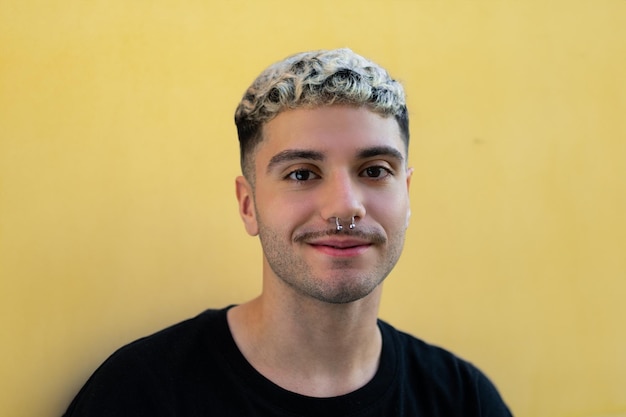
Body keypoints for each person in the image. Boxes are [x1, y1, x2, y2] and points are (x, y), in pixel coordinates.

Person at [63, 48, 513, 416]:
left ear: (407, 195)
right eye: (301, 174)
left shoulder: (463, 402)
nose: (344, 207)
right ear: (248, 204)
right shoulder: (139, 396)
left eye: (375, 170)